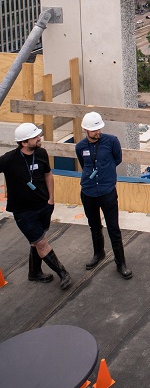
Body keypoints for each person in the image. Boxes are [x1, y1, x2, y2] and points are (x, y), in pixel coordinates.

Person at [0, 122, 72, 289]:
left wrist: (51, 200)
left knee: (36, 241)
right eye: (35, 137)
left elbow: (48, 175)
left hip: (44, 206)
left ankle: (34, 273)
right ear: (24, 143)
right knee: (41, 243)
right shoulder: (9, 159)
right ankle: (63, 273)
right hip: (24, 213)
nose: (40, 138)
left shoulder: (41, 153)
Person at [75, 111, 132, 279]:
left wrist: (106, 175)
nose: (97, 132)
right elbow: (83, 163)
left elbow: (118, 159)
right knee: (94, 225)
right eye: (94, 130)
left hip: (107, 191)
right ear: (85, 130)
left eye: (99, 129)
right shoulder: (80, 147)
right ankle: (98, 253)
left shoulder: (112, 141)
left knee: (113, 228)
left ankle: (120, 262)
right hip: (88, 192)